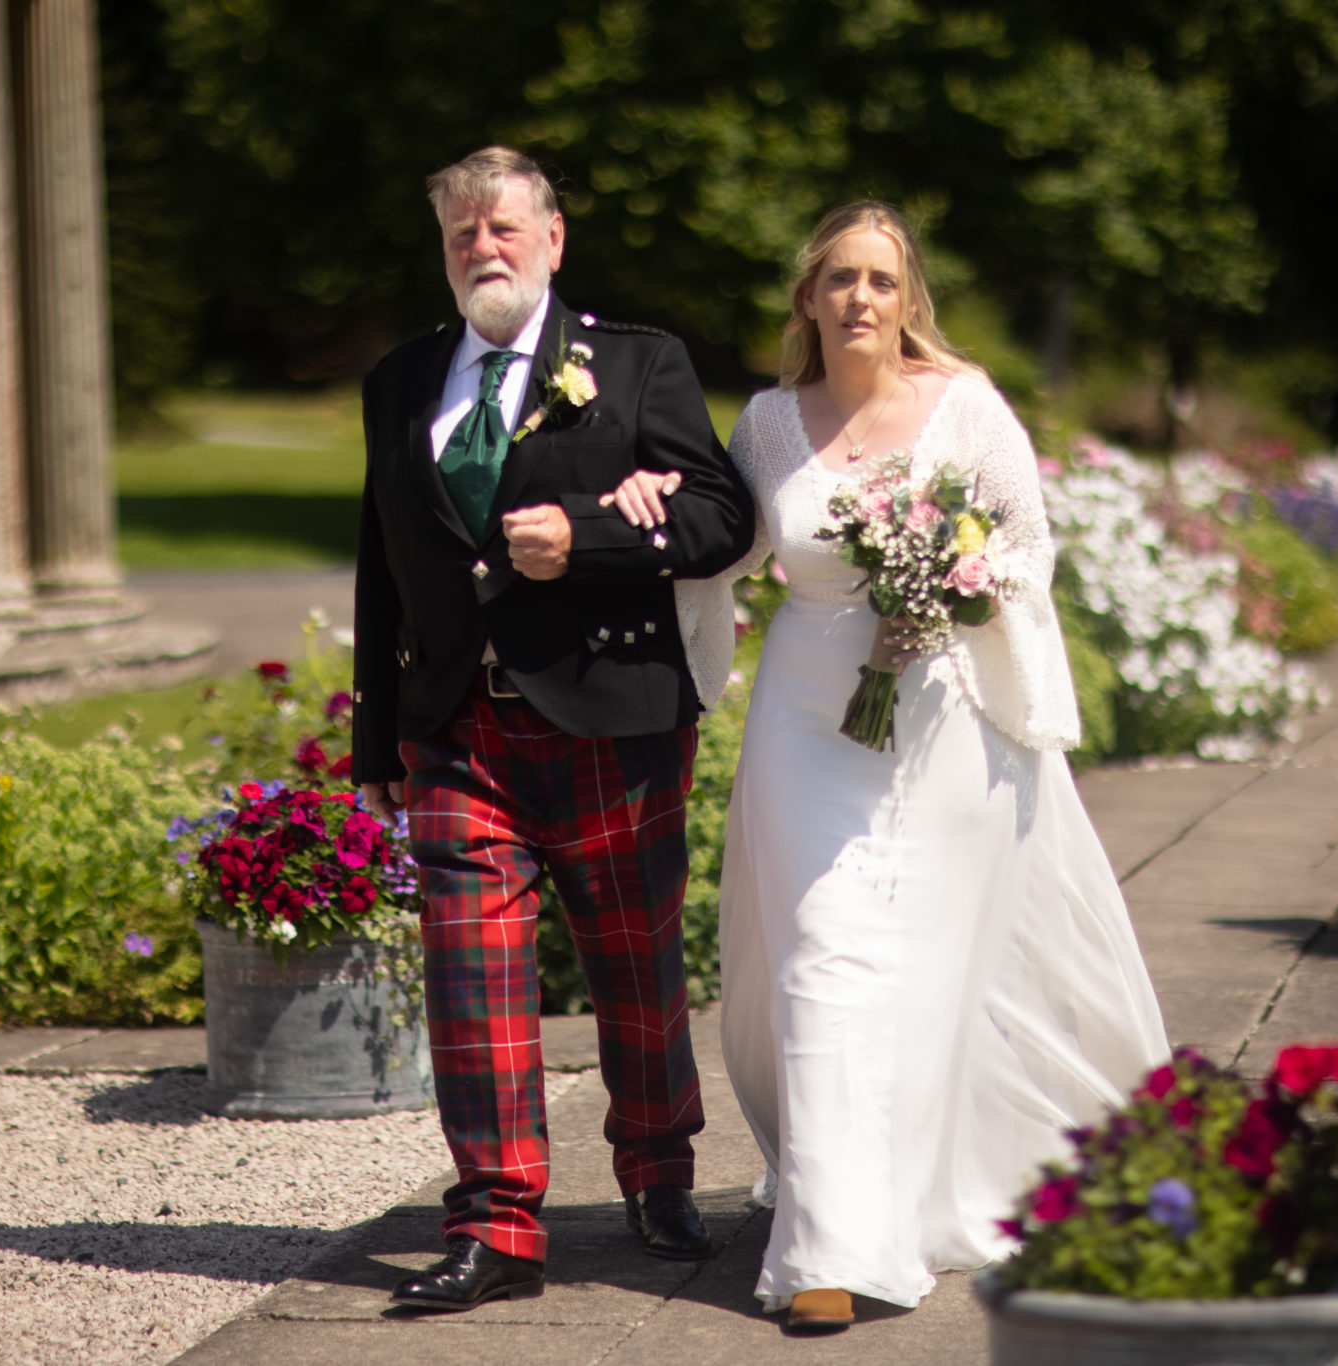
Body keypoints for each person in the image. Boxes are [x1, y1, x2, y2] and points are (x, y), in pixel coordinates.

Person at [606, 202, 1168, 1330]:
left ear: (906, 300)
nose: (858, 298)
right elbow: (728, 540)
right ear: (806, 301)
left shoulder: (964, 407)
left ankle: (891, 1202)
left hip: (941, 724)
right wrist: (650, 511)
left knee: (914, 972)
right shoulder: (768, 424)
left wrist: (947, 582)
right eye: (838, 279)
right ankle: (825, 1249)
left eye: (879, 279)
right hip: (807, 720)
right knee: (820, 948)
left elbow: (1025, 544)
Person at [350, 146, 759, 1312]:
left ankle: (656, 1167)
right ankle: (496, 1223)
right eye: (460, 234)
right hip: (456, 730)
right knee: (468, 975)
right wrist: (379, 738)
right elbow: (382, 561)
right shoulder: (399, 378)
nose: (481, 247)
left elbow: (724, 517)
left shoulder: (636, 365)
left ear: (552, 240)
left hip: (613, 723)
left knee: (633, 971)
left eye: (502, 229)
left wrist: (589, 537)